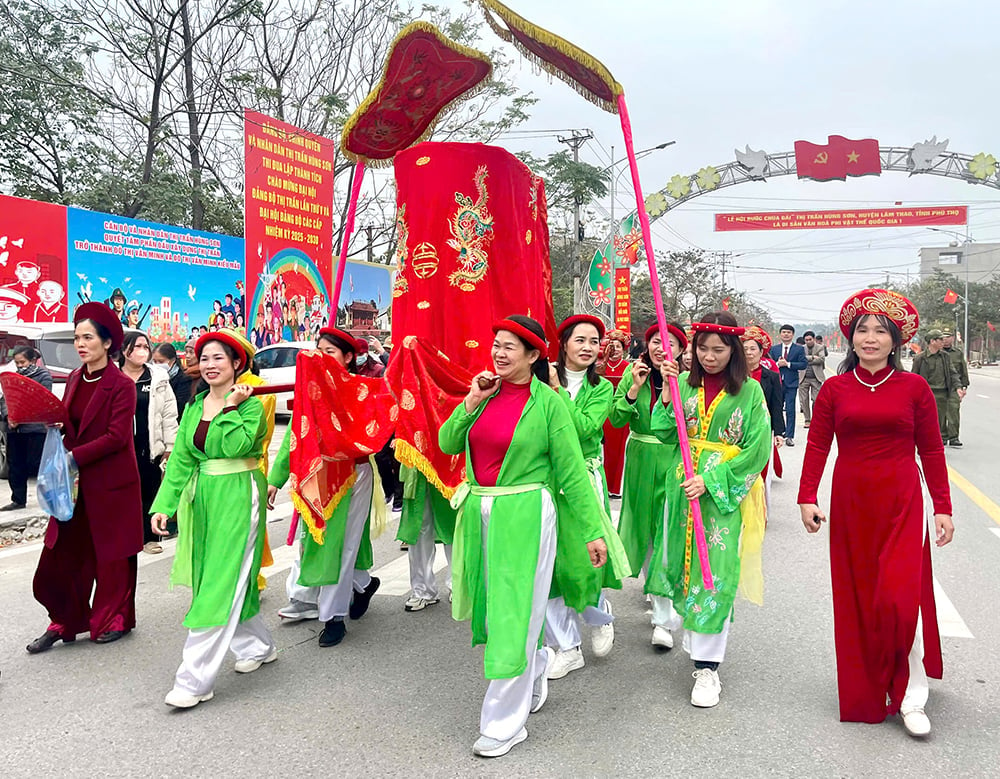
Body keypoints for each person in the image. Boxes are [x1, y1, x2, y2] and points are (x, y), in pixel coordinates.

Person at [439, 315, 609, 758]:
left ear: (533, 356)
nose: (499, 353)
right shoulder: (485, 393)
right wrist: (471, 401)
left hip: (528, 513)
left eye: (510, 347)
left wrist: (592, 530)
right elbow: (447, 443)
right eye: (496, 344)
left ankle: (503, 723)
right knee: (498, 612)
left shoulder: (549, 404)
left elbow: (572, 469)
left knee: (515, 613)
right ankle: (532, 669)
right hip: (480, 511)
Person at [798, 289, 954, 737]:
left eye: (880, 331)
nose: (870, 338)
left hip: (902, 502)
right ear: (850, 338)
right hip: (852, 504)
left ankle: (911, 695)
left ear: (896, 340)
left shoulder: (914, 388)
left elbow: (931, 449)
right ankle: (872, 687)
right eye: (862, 330)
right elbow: (817, 445)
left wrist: (941, 507)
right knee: (861, 599)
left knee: (900, 602)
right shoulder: (834, 389)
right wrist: (807, 495)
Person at [150, 331, 276, 708]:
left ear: (237, 363)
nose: (209, 365)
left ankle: (193, 680)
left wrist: (232, 408)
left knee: (220, 583)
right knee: (217, 576)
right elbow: (183, 461)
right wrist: (164, 506)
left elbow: (238, 446)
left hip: (240, 493)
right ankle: (258, 644)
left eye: (218, 358)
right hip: (204, 498)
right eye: (204, 358)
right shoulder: (195, 405)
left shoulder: (254, 404)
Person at [651, 311, 770, 708]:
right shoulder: (682, 384)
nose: (708, 356)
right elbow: (664, 431)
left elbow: (757, 449)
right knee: (679, 568)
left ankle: (707, 668)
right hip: (681, 490)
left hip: (719, 494)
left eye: (718, 349)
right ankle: (676, 632)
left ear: (734, 351)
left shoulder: (750, 392)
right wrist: (667, 394)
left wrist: (712, 479)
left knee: (713, 573)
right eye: (702, 348)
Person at [27, 302, 143, 653]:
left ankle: (114, 619)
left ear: (107, 343)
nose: (80, 344)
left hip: (111, 483)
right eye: (77, 337)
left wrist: (72, 456)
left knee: (112, 557)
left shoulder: (121, 385)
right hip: (74, 485)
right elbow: (71, 422)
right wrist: (49, 424)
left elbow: (116, 436)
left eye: (87, 337)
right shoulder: (76, 377)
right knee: (64, 554)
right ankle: (65, 619)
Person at [267, 327, 381, 645]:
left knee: (342, 546)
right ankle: (362, 584)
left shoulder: (362, 389)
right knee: (321, 545)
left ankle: (333, 616)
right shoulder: (312, 389)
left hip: (353, 477)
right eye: (317, 349)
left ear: (348, 357)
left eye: (329, 351)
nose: (320, 356)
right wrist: (276, 481)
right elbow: (296, 435)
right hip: (317, 477)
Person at [543, 315, 619, 680]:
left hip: (583, 480)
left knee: (581, 562)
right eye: (580, 340)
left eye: (594, 341)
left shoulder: (601, 389)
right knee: (547, 569)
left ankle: (599, 611)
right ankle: (567, 647)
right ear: (565, 344)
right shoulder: (537, 379)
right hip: (544, 480)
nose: (588, 347)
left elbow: (585, 428)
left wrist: (557, 390)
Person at [608, 321, 687, 650]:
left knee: (667, 534)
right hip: (639, 459)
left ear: (681, 351)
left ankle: (663, 620)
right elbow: (615, 420)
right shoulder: (633, 373)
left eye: (670, 342)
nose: (661, 347)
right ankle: (657, 596)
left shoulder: (686, 381)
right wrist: (633, 390)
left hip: (672, 460)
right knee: (644, 534)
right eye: (656, 340)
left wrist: (671, 391)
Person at [119, 332, 178, 555]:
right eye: (137, 346)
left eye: (146, 346)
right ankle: (126, 536)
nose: (142, 350)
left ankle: (150, 538)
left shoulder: (157, 377)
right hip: (119, 446)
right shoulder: (113, 376)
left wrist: (170, 446)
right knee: (123, 493)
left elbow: (168, 414)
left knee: (149, 491)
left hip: (149, 445)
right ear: (125, 349)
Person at [1, 346, 52, 510]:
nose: (20, 366)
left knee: (36, 464)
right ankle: (18, 499)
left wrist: (22, 415)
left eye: (22, 362)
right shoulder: (12, 377)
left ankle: (49, 499)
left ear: (32, 361)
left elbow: (42, 400)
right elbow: (5, 399)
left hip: (35, 429)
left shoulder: (43, 376)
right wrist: (9, 416)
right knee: (15, 465)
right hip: (15, 429)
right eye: (17, 363)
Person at [741, 327, 785, 503]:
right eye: (745, 349)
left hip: (762, 431)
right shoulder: (733, 376)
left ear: (761, 352)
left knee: (760, 471)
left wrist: (779, 433)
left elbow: (777, 406)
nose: (749, 353)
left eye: (753, 349)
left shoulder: (771, 377)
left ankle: (760, 509)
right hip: (737, 430)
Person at [911, 330, 959, 445]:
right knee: (925, 418)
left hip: (942, 392)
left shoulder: (945, 357)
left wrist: (958, 386)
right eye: (940, 339)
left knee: (941, 417)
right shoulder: (920, 358)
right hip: (927, 392)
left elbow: (953, 372)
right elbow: (914, 376)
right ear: (932, 341)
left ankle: (940, 438)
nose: (943, 342)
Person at [599, 330, 630, 497]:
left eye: (618, 347)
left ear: (623, 350)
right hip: (602, 412)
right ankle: (603, 483)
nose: (615, 350)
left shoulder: (627, 368)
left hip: (618, 413)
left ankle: (615, 487)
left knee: (618, 451)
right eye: (612, 346)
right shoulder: (599, 365)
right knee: (603, 450)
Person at [768, 324, 807, 446]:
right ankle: (778, 432)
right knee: (776, 408)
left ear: (792, 335)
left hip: (791, 384)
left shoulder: (799, 349)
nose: (786, 334)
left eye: (789, 332)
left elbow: (803, 364)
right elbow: (768, 364)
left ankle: (790, 436)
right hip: (776, 383)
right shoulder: (773, 349)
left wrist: (788, 364)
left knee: (790, 410)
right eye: (784, 332)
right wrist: (777, 364)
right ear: (780, 334)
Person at [941, 329, 968, 447]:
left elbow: (963, 369)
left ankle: (954, 437)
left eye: (948, 337)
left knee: (954, 412)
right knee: (940, 413)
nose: (946, 339)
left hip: (954, 387)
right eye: (943, 337)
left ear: (952, 338)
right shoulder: (937, 352)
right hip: (939, 387)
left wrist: (964, 386)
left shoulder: (957, 353)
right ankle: (942, 436)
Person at [153, 342, 193, 410]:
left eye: (161, 361)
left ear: (173, 360)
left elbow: (180, 405)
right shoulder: (152, 377)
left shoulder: (184, 379)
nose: (157, 365)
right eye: (154, 361)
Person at [799, 330, 827, 428]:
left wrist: (806, 360)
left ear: (814, 339)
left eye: (810, 339)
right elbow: (800, 359)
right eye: (806, 340)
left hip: (816, 378)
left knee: (816, 400)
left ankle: (815, 419)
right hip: (803, 378)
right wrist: (812, 357)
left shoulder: (820, 347)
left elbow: (821, 359)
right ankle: (807, 420)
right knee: (804, 400)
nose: (808, 341)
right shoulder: (801, 348)